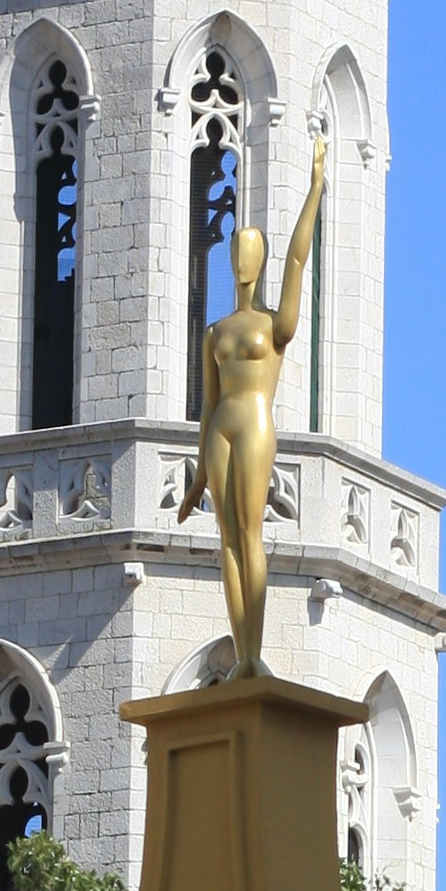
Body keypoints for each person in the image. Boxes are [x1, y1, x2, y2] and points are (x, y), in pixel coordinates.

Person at [177, 136, 325, 671]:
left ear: (259, 260)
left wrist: (314, 189)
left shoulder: (273, 326)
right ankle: (241, 651)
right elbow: (206, 405)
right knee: (226, 541)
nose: (242, 255)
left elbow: (299, 256)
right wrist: (194, 481)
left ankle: (254, 652)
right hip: (220, 429)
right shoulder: (216, 331)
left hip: (256, 423)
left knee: (251, 533)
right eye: (237, 247)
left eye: (251, 249)